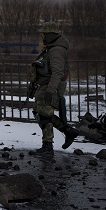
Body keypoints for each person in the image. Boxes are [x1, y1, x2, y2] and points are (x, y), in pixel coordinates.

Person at [28, 21, 79, 159]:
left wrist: (50, 91)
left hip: (50, 86)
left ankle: (48, 146)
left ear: (50, 35)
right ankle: (67, 131)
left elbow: (57, 72)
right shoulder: (51, 48)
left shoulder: (56, 50)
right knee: (39, 112)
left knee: (44, 114)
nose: (42, 37)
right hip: (45, 85)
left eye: (43, 34)